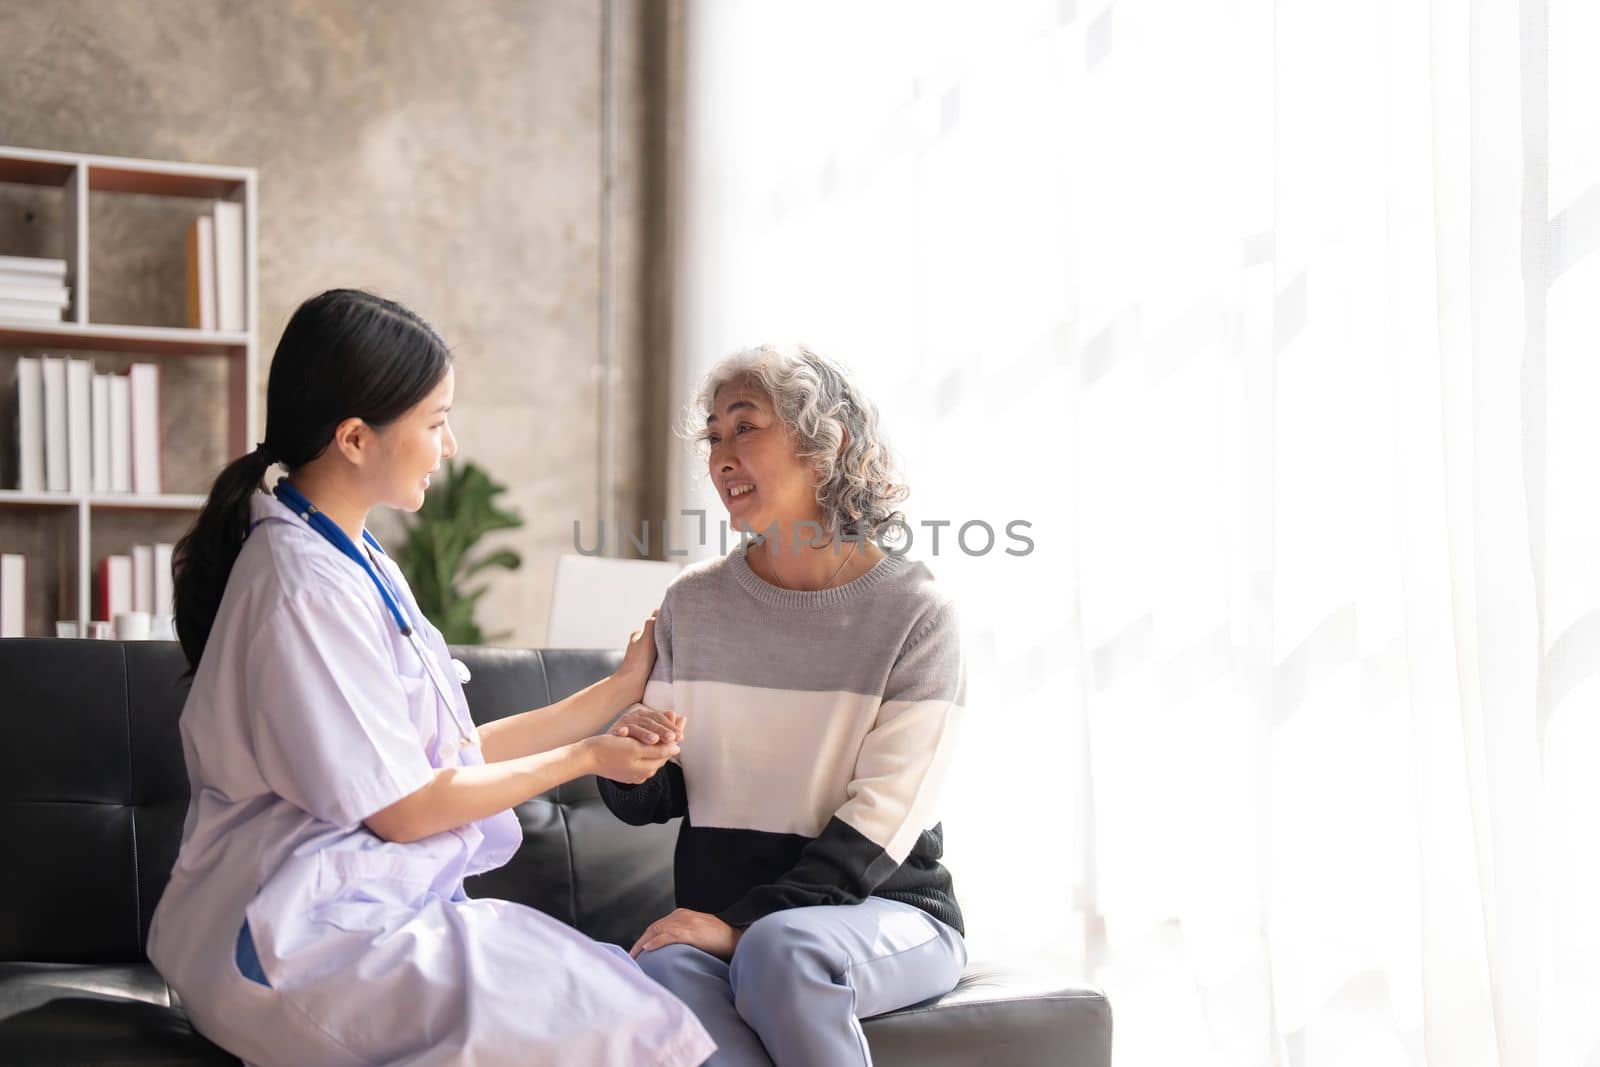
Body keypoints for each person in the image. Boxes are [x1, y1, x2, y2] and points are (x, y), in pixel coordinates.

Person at [147, 289, 715, 1067]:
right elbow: (407, 808)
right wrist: (587, 758)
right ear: (354, 437)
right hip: (292, 940)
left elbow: (439, 753)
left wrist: (611, 696)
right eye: (437, 421)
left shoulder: (355, 556)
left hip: (353, 911)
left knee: (622, 1002)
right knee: (623, 1025)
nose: (448, 447)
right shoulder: (301, 586)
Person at [598, 344, 968, 1066]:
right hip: (726, 924)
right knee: (663, 973)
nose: (722, 455)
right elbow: (660, 794)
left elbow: (881, 819)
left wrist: (738, 927)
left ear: (828, 447)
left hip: (884, 913)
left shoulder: (914, 613)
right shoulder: (694, 604)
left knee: (781, 948)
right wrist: (630, 758)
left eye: (745, 427)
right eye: (713, 436)